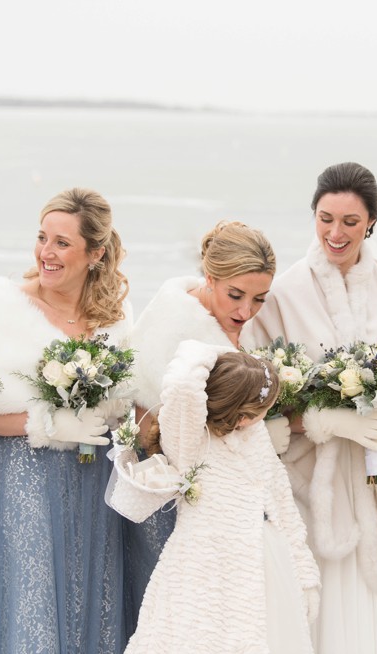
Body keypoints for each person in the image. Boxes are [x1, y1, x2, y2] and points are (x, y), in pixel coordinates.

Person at [244, 162, 377, 654]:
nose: (336, 232)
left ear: (371, 221)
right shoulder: (282, 294)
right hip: (312, 476)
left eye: (350, 221)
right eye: (326, 218)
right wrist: (324, 419)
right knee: (317, 594)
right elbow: (260, 395)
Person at [0, 188, 133, 653]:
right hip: (23, 477)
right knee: (32, 609)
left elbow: (128, 402)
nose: (46, 253)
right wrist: (46, 424)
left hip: (95, 480)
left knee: (89, 600)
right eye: (42, 238)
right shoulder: (4, 305)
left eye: (61, 242)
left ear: (95, 253)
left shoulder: (114, 317)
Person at [112, 342, 320, 653]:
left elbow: (282, 504)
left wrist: (305, 574)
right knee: (202, 637)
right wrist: (225, 355)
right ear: (245, 415)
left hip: (262, 559)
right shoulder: (190, 439)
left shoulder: (255, 435)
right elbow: (182, 382)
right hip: (203, 565)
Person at [123, 220, 275, 634]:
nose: (246, 311)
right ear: (210, 278)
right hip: (176, 500)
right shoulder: (175, 330)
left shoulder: (228, 322)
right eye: (236, 296)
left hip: (226, 502)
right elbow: (146, 423)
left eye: (259, 299)